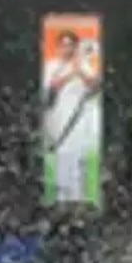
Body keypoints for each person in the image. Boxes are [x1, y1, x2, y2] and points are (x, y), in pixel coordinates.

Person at [43, 29, 102, 204]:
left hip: (80, 123)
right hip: (60, 121)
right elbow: (52, 87)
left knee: (80, 162)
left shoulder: (84, 65)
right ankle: (64, 201)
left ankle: (80, 202)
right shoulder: (52, 66)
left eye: (71, 45)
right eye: (64, 45)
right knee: (64, 160)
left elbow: (94, 86)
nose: (67, 49)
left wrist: (80, 69)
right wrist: (70, 74)